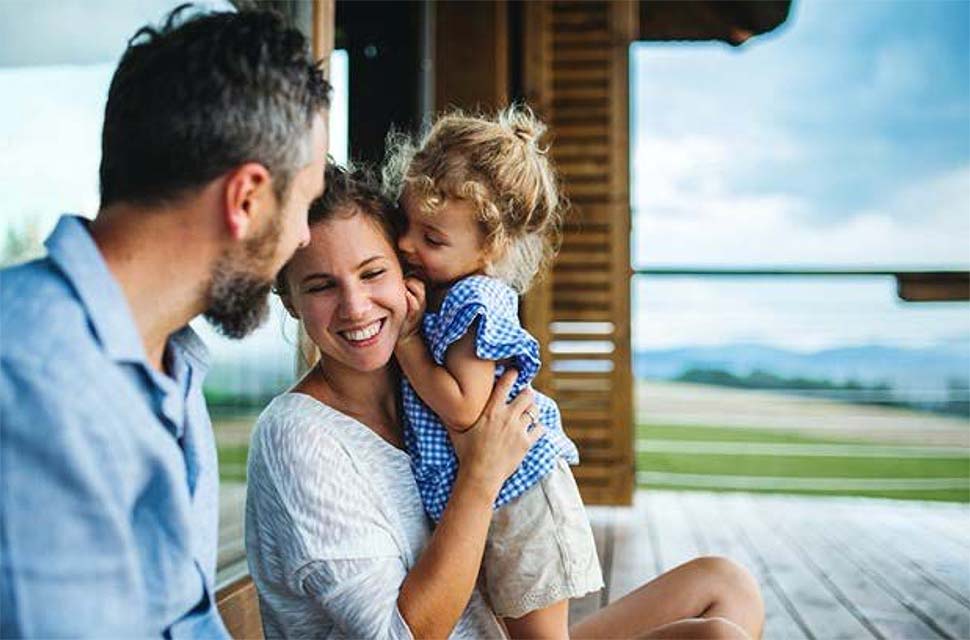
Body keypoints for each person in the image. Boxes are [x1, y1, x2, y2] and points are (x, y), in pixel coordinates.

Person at [246, 164, 765, 639]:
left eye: (372, 272)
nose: (356, 306)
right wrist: (482, 470)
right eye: (320, 286)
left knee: (725, 583)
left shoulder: (424, 393)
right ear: (289, 299)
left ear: (409, 269)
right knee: (715, 638)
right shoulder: (298, 435)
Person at [0, 7, 330, 636]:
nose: (303, 235)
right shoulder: (32, 381)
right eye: (305, 203)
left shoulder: (170, 363)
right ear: (247, 199)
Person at [387, 106, 597, 637]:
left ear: (490, 247)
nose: (408, 245)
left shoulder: (472, 302)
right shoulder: (448, 292)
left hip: (524, 504)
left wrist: (407, 342)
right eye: (405, 225)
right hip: (501, 497)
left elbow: (464, 406)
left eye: (432, 239)